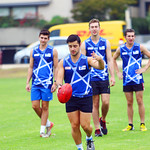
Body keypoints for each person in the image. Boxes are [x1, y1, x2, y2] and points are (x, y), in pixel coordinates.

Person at [57, 34, 104, 150]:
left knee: (86, 126)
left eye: (75, 46)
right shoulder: (64, 62)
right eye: (70, 46)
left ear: (79, 45)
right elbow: (59, 79)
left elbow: (100, 67)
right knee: (74, 125)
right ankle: (80, 148)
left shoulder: (87, 60)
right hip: (71, 98)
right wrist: (59, 86)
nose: (73, 48)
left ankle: (89, 138)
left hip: (85, 96)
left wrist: (101, 60)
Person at [81, 18, 115, 137]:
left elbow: (110, 60)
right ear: (89, 29)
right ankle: (97, 129)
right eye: (92, 27)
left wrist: (113, 76)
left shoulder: (105, 42)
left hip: (104, 77)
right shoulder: (85, 44)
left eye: (96, 27)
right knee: (94, 104)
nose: (94, 29)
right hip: (91, 79)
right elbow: (83, 61)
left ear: (99, 28)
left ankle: (103, 120)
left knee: (105, 102)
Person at [113, 28, 150, 131]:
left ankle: (142, 124)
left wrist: (145, 68)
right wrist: (118, 72)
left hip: (138, 79)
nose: (131, 38)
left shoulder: (140, 47)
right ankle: (130, 125)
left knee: (140, 101)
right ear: (125, 37)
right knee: (129, 102)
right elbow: (113, 59)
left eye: (132, 36)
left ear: (135, 37)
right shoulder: (121, 49)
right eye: (129, 36)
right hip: (127, 80)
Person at [26, 29, 58, 137]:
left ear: (48, 39)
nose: (43, 40)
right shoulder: (33, 51)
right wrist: (27, 82)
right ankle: (49, 123)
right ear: (39, 37)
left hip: (47, 84)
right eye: (41, 37)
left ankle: (42, 131)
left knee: (45, 107)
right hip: (35, 83)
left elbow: (56, 67)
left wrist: (55, 83)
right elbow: (30, 67)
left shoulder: (53, 51)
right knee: (35, 106)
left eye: (45, 38)